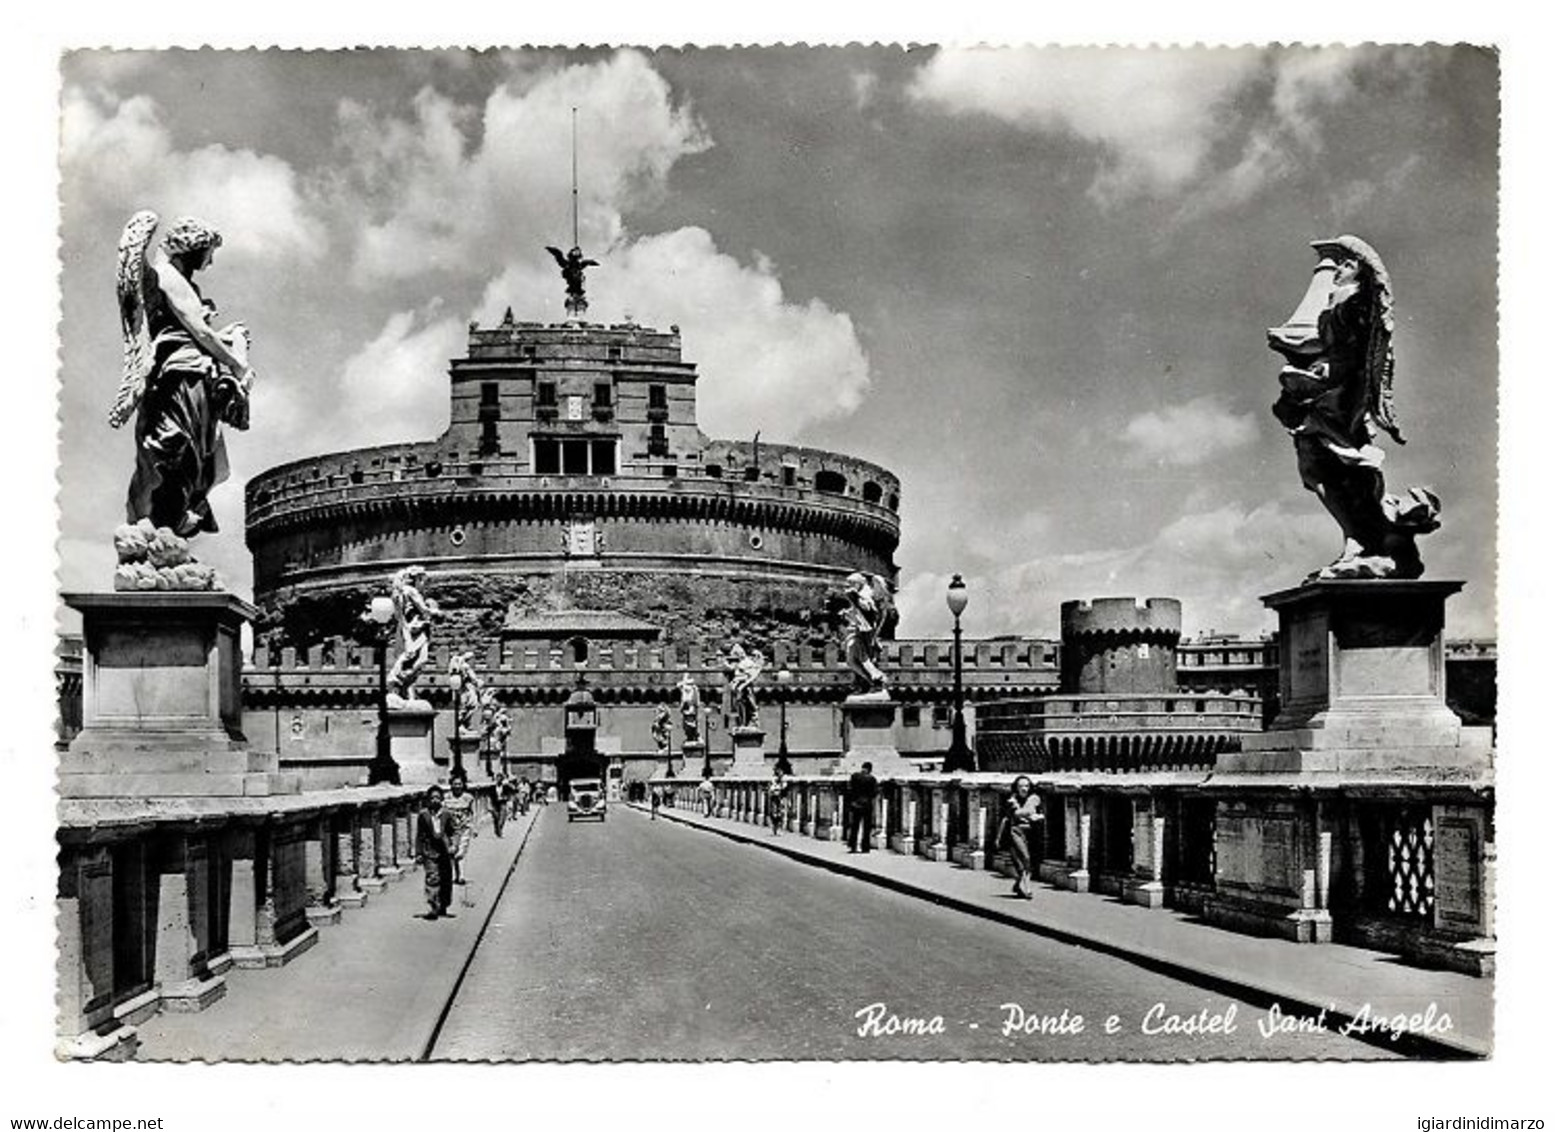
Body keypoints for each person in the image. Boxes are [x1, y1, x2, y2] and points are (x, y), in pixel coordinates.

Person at [113, 212, 256, 539]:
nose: (210, 262)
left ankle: (169, 526)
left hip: (194, 376)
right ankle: (162, 525)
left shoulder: (185, 283)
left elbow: (199, 335)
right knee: (179, 450)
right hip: (181, 377)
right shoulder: (168, 276)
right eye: (209, 253)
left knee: (196, 456)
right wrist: (237, 362)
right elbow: (201, 333)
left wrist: (230, 338)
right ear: (193, 248)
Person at [996, 775, 1044, 900]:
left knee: (1026, 864)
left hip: (1031, 833)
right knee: (1025, 858)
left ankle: (1019, 885)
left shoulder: (1034, 799)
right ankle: (1027, 889)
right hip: (1015, 832)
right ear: (1016, 788)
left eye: (1027, 786)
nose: (1024, 789)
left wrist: (1036, 817)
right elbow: (1009, 817)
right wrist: (998, 837)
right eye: (1021, 786)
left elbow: (1039, 814)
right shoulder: (1011, 801)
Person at [416, 785, 457, 919]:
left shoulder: (447, 814)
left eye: (437, 797)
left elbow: (453, 831)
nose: (435, 800)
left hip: (445, 851)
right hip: (429, 850)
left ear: (442, 799)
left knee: (445, 878)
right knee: (432, 877)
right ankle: (433, 906)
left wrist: (454, 845)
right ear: (428, 799)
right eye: (432, 797)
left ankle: (443, 905)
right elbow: (419, 835)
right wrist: (418, 853)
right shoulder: (423, 815)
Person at [444, 771, 476, 886]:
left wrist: (474, 828)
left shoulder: (468, 798)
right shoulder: (446, 797)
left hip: (464, 828)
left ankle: (461, 876)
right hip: (450, 830)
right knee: (452, 852)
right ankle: (454, 876)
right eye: (455, 784)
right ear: (451, 785)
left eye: (459, 784)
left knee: (461, 852)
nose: (457, 786)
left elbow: (472, 813)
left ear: (463, 785)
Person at [846, 761, 879, 853]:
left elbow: (849, 789)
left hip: (856, 804)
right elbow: (874, 793)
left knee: (854, 826)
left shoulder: (855, 776)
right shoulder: (872, 779)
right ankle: (865, 847)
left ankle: (853, 846)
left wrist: (853, 800)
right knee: (867, 827)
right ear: (870, 769)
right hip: (867, 805)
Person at [768, 769, 789, 836]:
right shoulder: (774, 780)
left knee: (781, 814)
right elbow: (771, 788)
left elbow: (784, 788)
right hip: (775, 799)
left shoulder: (784, 780)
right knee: (774, 814)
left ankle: (779, 829)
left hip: (781, 799)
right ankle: (775, 829)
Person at [491, 771, 509, 838]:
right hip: (495, 804)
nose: (499, 779)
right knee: (496, 818)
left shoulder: (505, 787)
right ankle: (497, 831)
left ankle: (500, 831)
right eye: (497, 778)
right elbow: (490, 796)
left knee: (502, 818)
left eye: (500, 778)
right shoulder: (492, 787)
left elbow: (508, 795)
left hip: (503, 803)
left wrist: (505, 797)